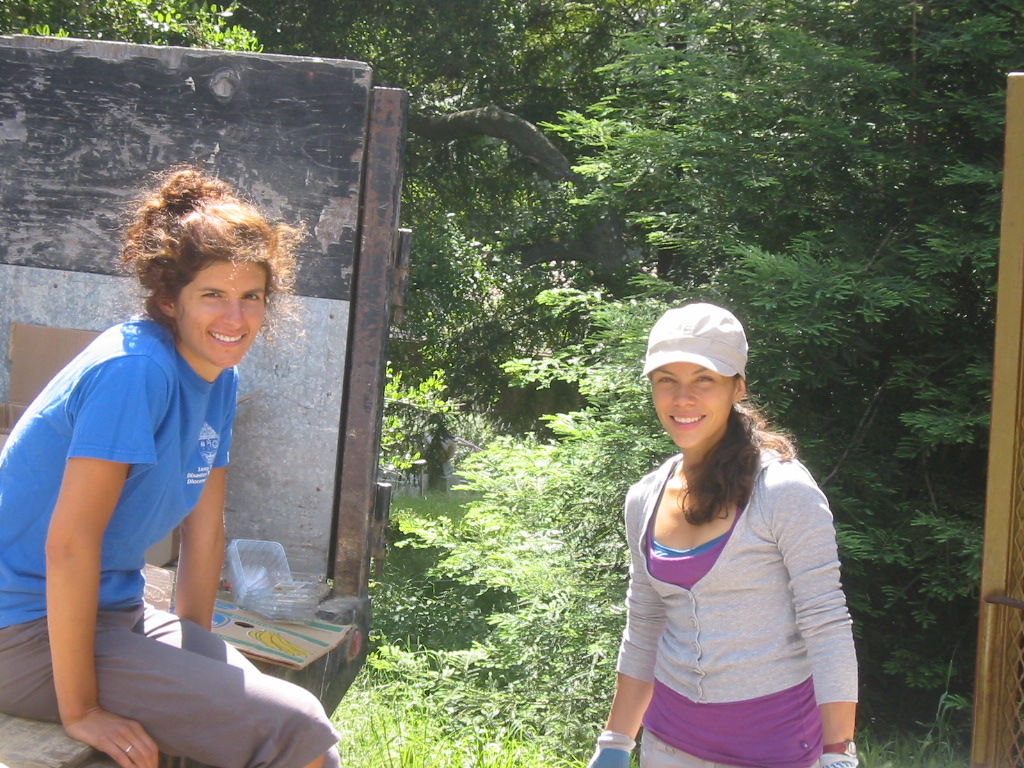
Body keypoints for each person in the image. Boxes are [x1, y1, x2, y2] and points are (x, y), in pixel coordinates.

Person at [0, 168, 341, 768]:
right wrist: (82, 711)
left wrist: (195, 649)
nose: (235, 318)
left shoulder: (218, 378)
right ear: (168, 301)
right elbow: (70, 546)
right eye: (212, 295)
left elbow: (204, 532)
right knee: (298, 728)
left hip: (114, 613)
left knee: (285, 721)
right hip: (24, 629)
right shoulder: (134, 371)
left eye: (251, 296)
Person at [586, 303, 859, 768]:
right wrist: (615, 742)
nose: (682, 398)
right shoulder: (644, 497)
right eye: (666, 379)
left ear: (738, 387)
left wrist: (838, 751)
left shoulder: (782, 490)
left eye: (704, 379)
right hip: (668, 745)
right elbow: (645, 623)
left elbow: (826, 622)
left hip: (777, 751)